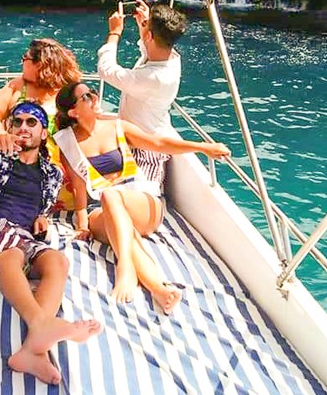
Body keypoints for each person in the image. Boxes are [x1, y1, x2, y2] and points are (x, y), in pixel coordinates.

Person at [0, 101, 102, 385]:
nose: (23, 127)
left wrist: (42, 217)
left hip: (22, 235)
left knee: (57, 261)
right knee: (10, 253)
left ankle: (33, 350)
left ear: (43, 133)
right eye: (17, 121)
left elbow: (42, 208)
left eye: (31, 122)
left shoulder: (52, 174)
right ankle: (41, 324)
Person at [54, 82, 230, 310]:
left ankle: (125, 267)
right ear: (73, 112)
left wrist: (203, 147)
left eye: (92, 92)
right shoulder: (67, 142)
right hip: (100, 207)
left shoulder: (118, 127)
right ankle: (159, 289)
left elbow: (158, 143)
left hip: (140, 200)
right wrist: (82, 225)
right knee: (123, 230)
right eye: (86, 97)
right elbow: (79, 187)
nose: (94, 97)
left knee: (111, 196)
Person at [97, 0, 186, 192]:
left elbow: (106, 70)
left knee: (136, 194)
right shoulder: (171, 58)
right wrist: (144, 27)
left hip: (146, 150)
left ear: (151, 36)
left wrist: (114, 32)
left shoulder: (154, 78)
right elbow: (150, 48)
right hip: (133, 140)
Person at [0, 38, 81, 151]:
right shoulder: (17, 85)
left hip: (58, 157)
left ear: (39, 64)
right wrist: (4, 140)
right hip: (18, 155)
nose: (22, 62)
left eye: (25, 58)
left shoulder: (69, 91)